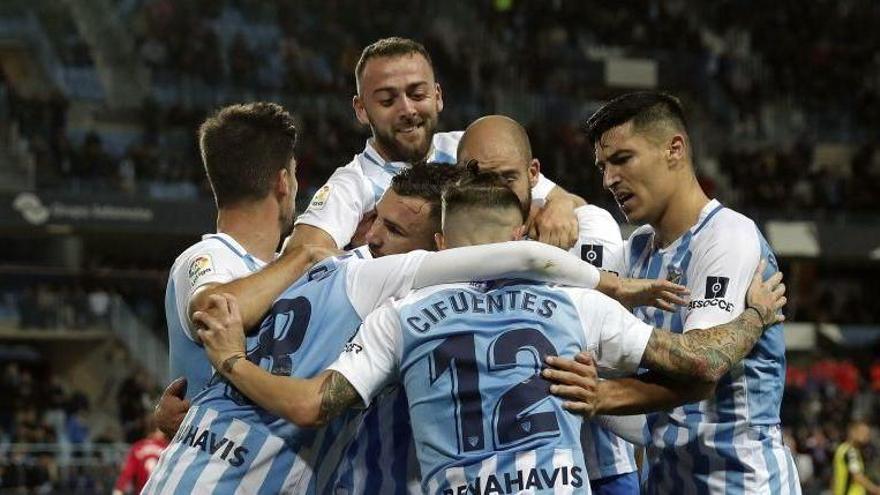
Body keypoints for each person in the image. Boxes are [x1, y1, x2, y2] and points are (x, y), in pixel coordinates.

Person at [190, 171, 786, 495]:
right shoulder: (577, 305)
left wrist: (231, 361)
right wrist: (756, 314)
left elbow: (311, 404)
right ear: (524, 232)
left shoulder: (400, 314)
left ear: (443, 244)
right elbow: (702, 360)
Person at [544, 91, 800, 494]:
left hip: (739, 483)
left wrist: (604, 396)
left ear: (674, 149)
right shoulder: (637, 250)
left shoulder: (726, 235)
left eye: (622, 159)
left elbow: (704, 366)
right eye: (602, 166)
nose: (608, 179)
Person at [458, 114, 640, 493]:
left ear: (533, 173)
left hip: (599, 464)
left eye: (508, 178)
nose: (498, 194)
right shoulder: (446, 245)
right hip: (493, 472)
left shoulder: (586, 225)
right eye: (482, 180)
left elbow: (598, 343)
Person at [289, 37, 582, 253]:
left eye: (417, 94)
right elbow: (305, 255)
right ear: (361, 109)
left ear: (438, 96)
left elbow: (566, 201)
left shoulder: (468, 148)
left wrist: (561, 204)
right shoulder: (353, 185)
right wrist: (364, 252)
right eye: (388, 100)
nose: (407, 109)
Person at [163, 102, 330, 407]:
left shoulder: (279, 267)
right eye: (294, 174)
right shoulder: (207, 256)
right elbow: (213, 311)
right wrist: (302, 255)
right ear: (283, 182)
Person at [112, 417, 168, 495]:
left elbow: (126, 474)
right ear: (160, 430)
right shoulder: (168, 448)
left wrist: (118, 490)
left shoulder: (138, 447)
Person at [833, 420, 880, 495]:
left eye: (867, 434)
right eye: (862, 432)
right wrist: (876, 490)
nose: (866, 436)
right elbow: (857, 477)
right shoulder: (850, 452)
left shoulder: (845, 449)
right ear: (853, 432)